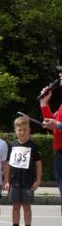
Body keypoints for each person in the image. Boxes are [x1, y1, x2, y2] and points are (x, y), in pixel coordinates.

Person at [4, 116, 42, 226]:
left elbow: (38, 164)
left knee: (26, 206)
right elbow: (8, 164)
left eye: (25, 129)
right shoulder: (12, 145)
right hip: (14, 181)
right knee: (15, 207)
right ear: (15, 131)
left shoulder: (33, 146)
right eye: (19, 130)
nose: (22, 132)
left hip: (28, 182)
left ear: (29, 130)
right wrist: (6, 180)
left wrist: (38, 180)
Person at [39, 71, 62, 217]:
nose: (60, 75)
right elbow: (51, 123)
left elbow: (57, 125)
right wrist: (44, 103)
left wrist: (59, 125)